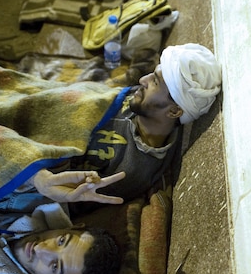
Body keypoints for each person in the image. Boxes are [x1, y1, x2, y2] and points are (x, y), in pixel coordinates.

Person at [33, 43, 223, 203]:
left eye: (155, 81)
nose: (143, 80)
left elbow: (66, 194)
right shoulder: (140, 102)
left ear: (174, 111)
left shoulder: (131, 170)